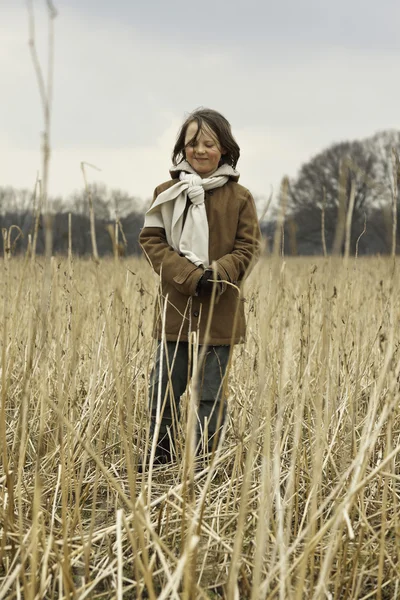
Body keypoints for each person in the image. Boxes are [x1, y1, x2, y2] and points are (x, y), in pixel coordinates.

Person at [139, 107, 261, 464]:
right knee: (163, 388)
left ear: (223, 148)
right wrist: (190, 277)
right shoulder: (166, 192)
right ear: (182, 147)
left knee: (210, 394)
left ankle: (203, 463)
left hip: (221, 310)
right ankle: (159, 461)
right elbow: (151, 241)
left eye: (209, 143)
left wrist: (218, 273)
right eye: (192, 143)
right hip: (177, 308)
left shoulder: (240, 198)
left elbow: (248, 248)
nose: (200, 150)